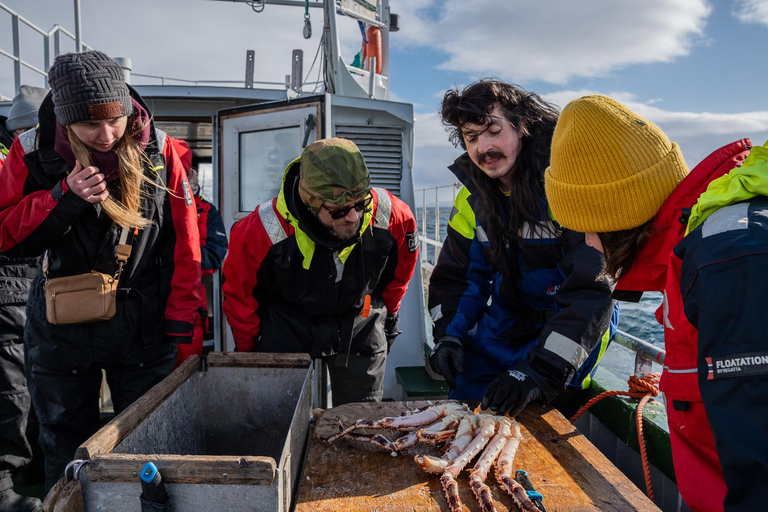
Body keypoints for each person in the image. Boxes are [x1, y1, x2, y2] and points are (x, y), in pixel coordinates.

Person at [544, 94, 762, 512]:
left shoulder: (729, 263)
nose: (586, 244)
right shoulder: (701, 252)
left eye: (583, 228)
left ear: (614, 215)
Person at [0, 50, 201, 492]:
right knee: (65, 449)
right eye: (92, 125)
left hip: (142, 330)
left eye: (116, 120)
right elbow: (7, 235)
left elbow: (186, 247)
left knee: (148, 446)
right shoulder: (29, 151)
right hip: (60, 333)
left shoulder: (160, 148)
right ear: (67, 121)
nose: (108, 135)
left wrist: (182, 329)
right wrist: (63, 197)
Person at [428, 80, 617, 418]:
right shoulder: (470, 200)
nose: (483, 147)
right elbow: (458, 277)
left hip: (568, 323)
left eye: (493, 131)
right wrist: (449, 336)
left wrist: (541, 371)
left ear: (521, 126)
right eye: (471, 138)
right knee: (464, 407)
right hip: (506, 320)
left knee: (537, 422)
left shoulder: (565, 187)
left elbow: (592, 289)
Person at [223, 137, 418, 404]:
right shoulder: (256, 231)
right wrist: (248, 351)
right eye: (339, 211)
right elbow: (240, 296)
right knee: (274, 415)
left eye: (360, 205)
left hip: (359, 315)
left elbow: (400, 273)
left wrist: (391, 317)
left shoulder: (395, 216)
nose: (353, 217)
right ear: (310, 203)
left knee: (359, 421)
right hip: (286, 321)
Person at [0, 85, 47, 512]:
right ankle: (12, 481)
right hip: (8, 289)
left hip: (37, 286)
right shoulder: (12, 162)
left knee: (38, 385)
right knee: (14, 391)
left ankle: (34, 473)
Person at [169, 138, 228, 362]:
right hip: (147, 302)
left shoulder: (206, 211)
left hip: (189, 303)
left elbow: (215, 256)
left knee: (185, 368)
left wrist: (177, 258)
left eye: (184, 171)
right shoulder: (145, 205)